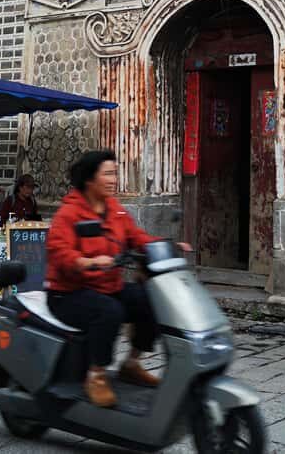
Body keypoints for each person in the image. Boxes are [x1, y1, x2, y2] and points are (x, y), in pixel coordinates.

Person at [46, 149, 187, 409]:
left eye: (115, 173)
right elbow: (59, 252)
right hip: (68, 293)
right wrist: (86, 261)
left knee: (151, 299)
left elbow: (136, 237)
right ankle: (96, 375)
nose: (113, 179)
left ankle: (131, 363)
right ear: (90, 179)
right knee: (109, 311)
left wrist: (166, 246)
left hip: (107, 287)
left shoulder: (115, 209)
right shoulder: (69, 213)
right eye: (108, 174)